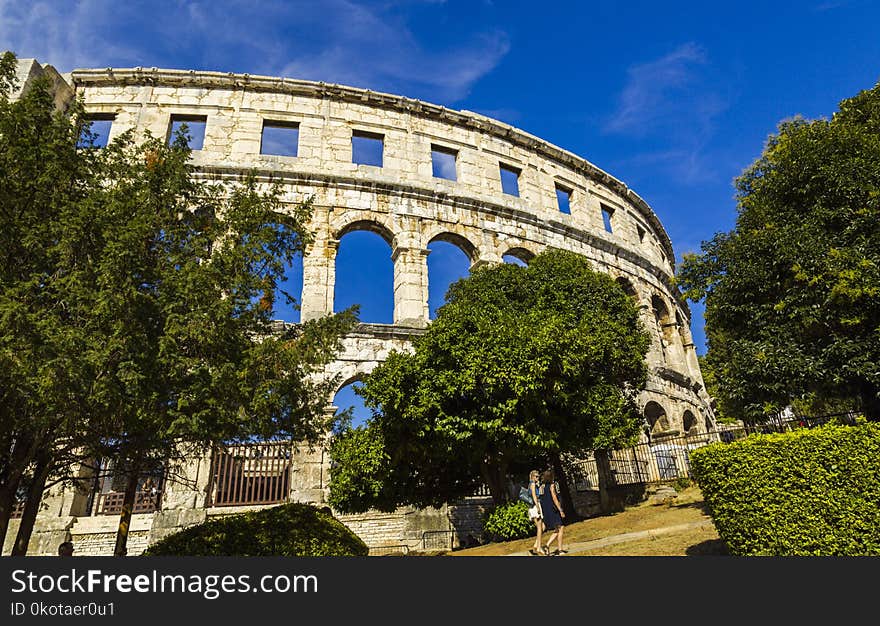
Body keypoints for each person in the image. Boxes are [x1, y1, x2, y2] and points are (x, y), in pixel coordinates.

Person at [537, 469, 566, 555]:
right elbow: (554, 498)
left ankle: (547, 545)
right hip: (553, 510)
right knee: (560, 528)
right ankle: (560, 549)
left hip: (546, 510)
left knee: (557, 529)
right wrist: (560, 510)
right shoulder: (552, 486)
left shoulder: (542, 487)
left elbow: (541, 499)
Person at [527, 469, 544, 556]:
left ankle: (535, 546)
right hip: (535, 506)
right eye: (536, 476)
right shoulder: (532, 484)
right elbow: (534, 495)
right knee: (539, 527)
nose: (538, 478)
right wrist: (537, 507)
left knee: (542, 527)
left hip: (533, 506)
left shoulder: (532, 484)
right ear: (532, 477)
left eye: (538, 476)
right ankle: (539, 548)